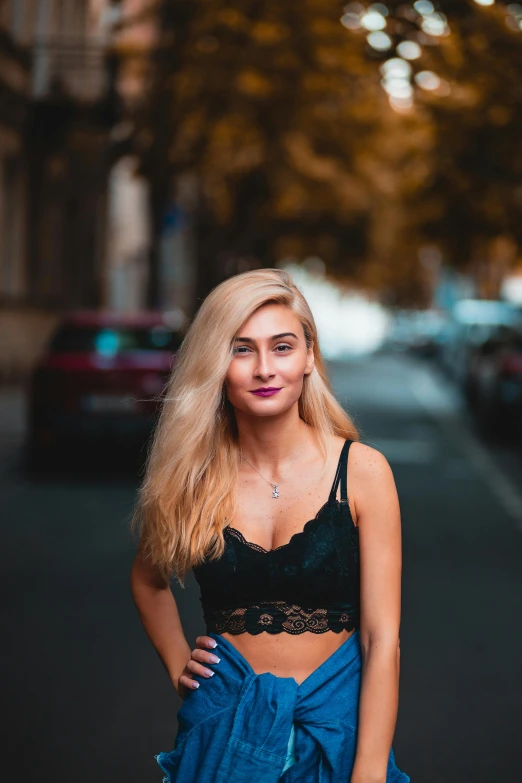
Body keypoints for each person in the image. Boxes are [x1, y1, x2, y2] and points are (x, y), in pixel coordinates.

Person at [130, 268, 410, 782]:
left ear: (308, 359)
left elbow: (380, 639)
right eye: (241, 349)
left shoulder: (364, 472)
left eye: (282, 347)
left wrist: (368, 770)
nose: (264, 369)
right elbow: (147, 579)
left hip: (337, 730)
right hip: (222, 728)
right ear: (217, 364)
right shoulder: (193, 477)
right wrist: (177, 663)